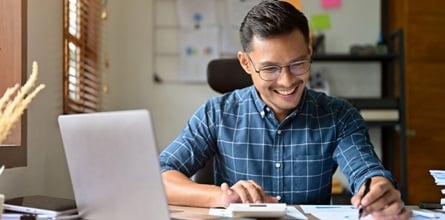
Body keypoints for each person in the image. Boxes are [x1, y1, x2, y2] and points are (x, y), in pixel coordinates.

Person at [159, 1, 411, 219]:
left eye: (298, 64)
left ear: (310, 51)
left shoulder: (338, 115)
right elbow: (160, 176)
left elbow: (367, 171)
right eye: (270, 69)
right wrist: (224, 196)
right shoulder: (216, 114)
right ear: (246, 63)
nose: (287, 81)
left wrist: (378, 189)